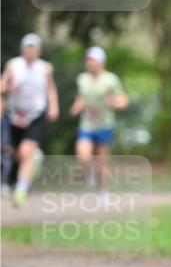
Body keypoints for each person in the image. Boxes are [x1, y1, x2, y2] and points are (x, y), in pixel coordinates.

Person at [0, 33, 59, 206]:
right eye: (27, 47)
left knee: (26, 152)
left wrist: (53, 105)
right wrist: (10, 87)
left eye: (33, 48)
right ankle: (35, 160)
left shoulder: (45, 68)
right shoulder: (13, 65)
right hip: (15, 114)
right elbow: (2, 86)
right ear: (22, 48)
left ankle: (20, 190)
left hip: (35, 114)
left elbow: (51, 89)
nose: (29, 51)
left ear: (39, 50)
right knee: (15, 152)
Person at [69, 47, 128, 198]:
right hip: (87, 124)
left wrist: (114, 103)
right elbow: (81, 98)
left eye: (93, 60)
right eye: (88, 60)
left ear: (102, 62)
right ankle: (88, 174)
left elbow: (123, 100)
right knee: (82, 156)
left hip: (105, 125)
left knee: (102, 162)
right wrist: (76, 107)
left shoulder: (111, 79)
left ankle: (103, 190)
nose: (90, 63)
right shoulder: (82, 79)